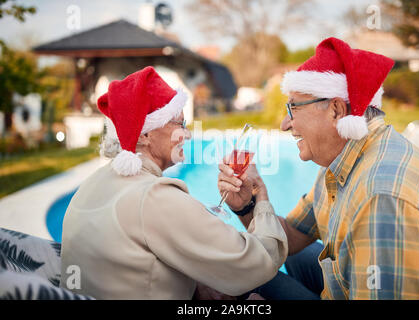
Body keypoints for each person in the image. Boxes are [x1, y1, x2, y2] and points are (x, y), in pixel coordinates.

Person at [218, 37, 419, 300]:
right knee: (276, 265)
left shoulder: (381, 197)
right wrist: (248, 202)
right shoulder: (341, 160)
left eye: (293, 108)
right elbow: (291, 237)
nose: (284, 124)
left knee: (249, 290)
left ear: (337, 110)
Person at [60, 66, 288, 299]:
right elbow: (257, 264)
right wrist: (260, 195)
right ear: (144, 135)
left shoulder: (94, 183)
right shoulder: (154, 197)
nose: (187, 135)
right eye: (178, 124)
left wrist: (196, 289)